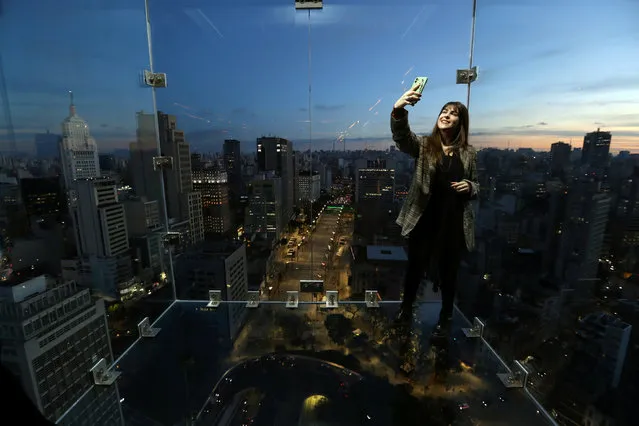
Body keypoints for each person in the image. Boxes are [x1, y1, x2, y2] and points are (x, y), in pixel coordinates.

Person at [390, 81, 479, 337]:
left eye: (453, 113)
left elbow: (479, 185)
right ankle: (405, 310)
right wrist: (399, 108)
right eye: (444, 110)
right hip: (425, 217)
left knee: (449, 271)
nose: (446, 114)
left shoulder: (469, 154)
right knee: (415, 267)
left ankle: (446, 316)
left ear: (460, 123)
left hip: (453, 220)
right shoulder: (425, 146)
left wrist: (471, 186)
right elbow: (402, 138)